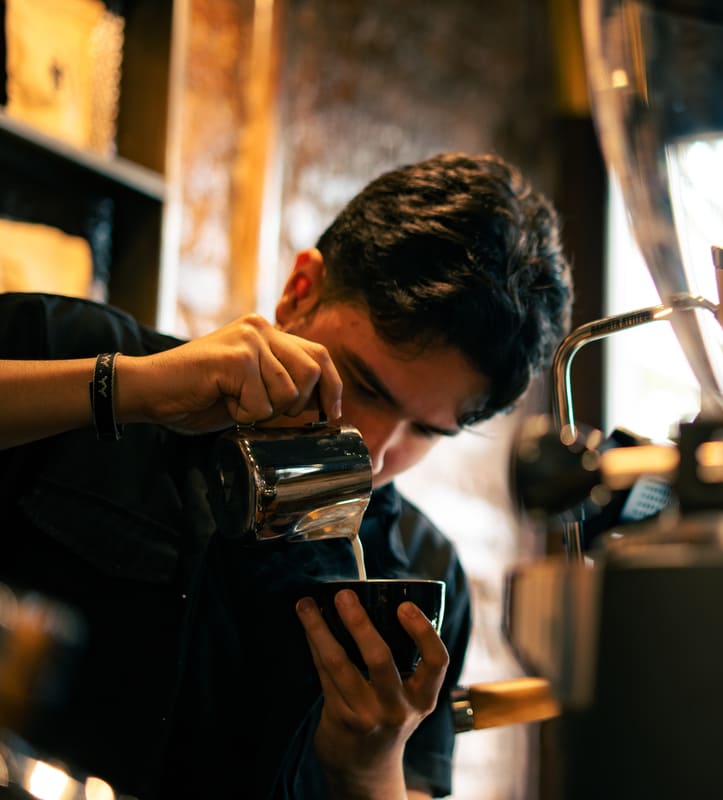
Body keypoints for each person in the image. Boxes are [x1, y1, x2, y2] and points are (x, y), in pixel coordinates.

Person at [0, 152, 574, 799]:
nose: (377, 452)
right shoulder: (71, 350)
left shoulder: (422, 575)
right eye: (364, 385)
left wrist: (367, 766)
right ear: (301, 290)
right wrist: (125, 388)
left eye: (426, 431)